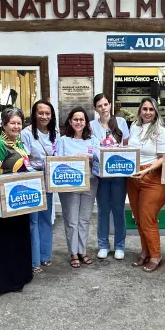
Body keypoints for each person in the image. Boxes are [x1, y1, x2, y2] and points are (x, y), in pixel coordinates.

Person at [0, 108, 34, 295]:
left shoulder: (18, 141)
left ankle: (19, 275)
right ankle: (5, 281)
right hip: (3, 201)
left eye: (19, 123)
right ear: (4, 125)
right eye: (12, 123)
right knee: (6, 241)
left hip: (18, 199)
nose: (16, 126)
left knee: (18, 239)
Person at [127, 97, 165, 272]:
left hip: (152, 178)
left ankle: (156, 255)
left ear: (156, 111)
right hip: (133, 178)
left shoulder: (160, 130)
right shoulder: (134, 127)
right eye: (144, 109)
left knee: (148, 219)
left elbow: (163, 158)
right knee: (138, 219)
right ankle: (145, 251)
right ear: (139, 111)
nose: (148, 112)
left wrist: (145, 171)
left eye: (151, 109)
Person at [55, 107, 99, 269]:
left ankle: (82, 250)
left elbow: (98, 160)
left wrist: (87, 157)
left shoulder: (93, 140)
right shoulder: (63, 140)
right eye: (75, 119)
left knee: (84, 219)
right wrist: (76, 159)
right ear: (70, 121)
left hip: (90, 182)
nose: (78, 122)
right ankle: (73, 252)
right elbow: (58, 161)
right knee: (72, 219)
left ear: (86, 122)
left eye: (81, 119)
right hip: (69, 183)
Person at [91, 93, 130, 260]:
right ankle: (103, 245)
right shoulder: (92, 125)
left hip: (118, 173)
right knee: (103, 210)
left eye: (105, 104)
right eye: (100, 106)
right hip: (100, 174)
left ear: (110, 105)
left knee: (119, 210)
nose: (103, 108)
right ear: (96, 109)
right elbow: (90, 147)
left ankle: (120, 246)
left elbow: (127, 146)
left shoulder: (120, 122)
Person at [20, 100, 58, 272]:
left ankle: (45, 256)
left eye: (47, 113)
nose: (44, 116)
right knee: (33, 220)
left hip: (48, 177)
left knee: (46, 217)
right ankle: (34, 260)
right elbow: (24, 159)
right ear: (34, 114)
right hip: (32, 177)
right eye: (40, 113)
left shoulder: (54, 132)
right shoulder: (26, 133)